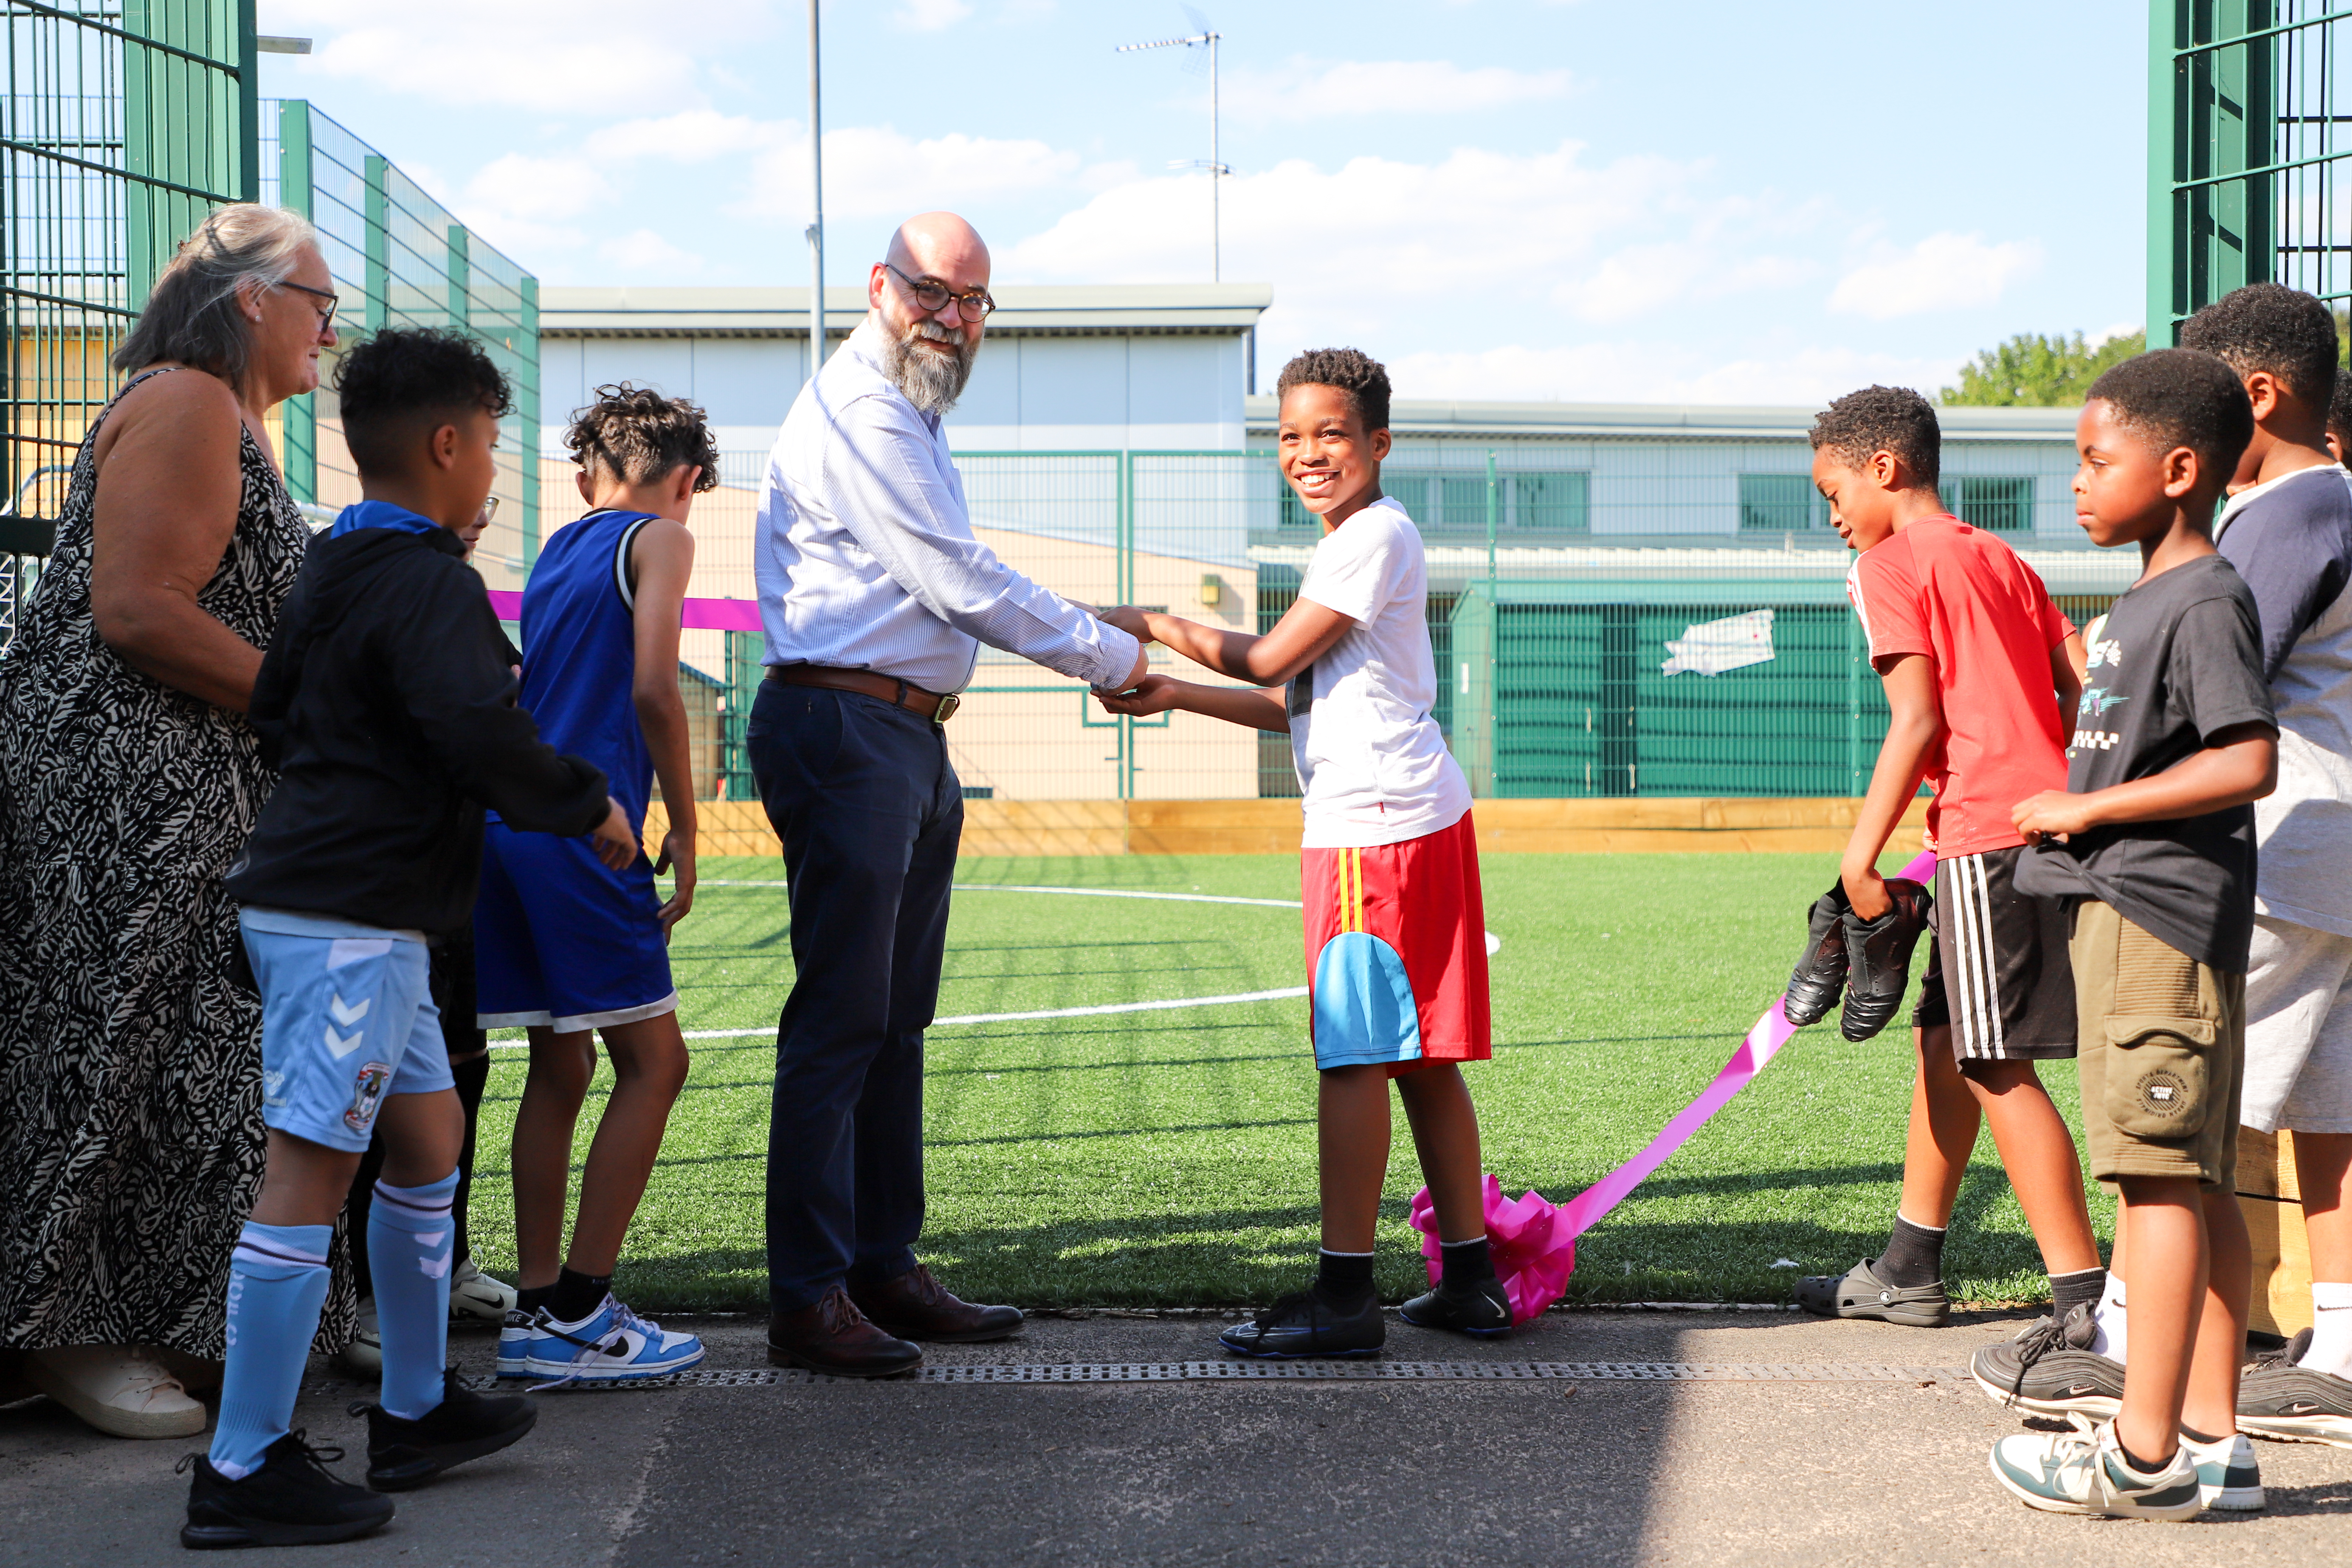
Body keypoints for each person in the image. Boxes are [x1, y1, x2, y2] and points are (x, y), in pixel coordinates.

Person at [183, 327, 638, 1548]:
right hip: (345, 921)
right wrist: (585, 802)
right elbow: (474, 726)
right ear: (446, 444)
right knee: (311, 1169)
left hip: (363, 910)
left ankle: (417, 1405)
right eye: (490, 444)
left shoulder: (339, 559)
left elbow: (277, 706)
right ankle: (242, 1462)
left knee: (428, 1140)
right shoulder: (433, 578)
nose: (493, 471)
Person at [753, 211, 1145, 1378]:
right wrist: (1110, 656)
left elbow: (952, 579)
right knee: (841, 1018)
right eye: (932, 291)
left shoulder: (910, 412)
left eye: (973, 300)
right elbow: (955, 577)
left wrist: (1096, 632)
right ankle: (808, 1291)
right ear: (879, 286)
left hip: (902, 733)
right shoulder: (868, 409)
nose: (953, 316)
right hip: (847, 726)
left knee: (894, 1019)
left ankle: (880, 1261)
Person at [0, 206, 342, 1439]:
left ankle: (146, 1315)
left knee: (187, 1055)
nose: (331, 328)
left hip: (184, 782)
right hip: (128, 791)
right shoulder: (192, 402)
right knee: (112, 1040)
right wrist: (316, 710)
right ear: (251, 298)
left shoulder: (224, 414)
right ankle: (66, 1329)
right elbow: (140, 608)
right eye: (320, 300)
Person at [1095, 348, 1506, 1357]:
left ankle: (1345, 1296)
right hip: (1416, 813)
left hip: (1373, 831)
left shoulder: (1366, 536)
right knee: (1418, 1060)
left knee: (1355, 1056)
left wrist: (1151, 622)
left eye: (1330, 433)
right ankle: (1470, 1278)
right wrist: (1182, 692)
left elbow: (1273, 656)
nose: (1308, 453)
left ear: (1377, 444)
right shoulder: (1365, 540)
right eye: (1289, 436)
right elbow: (1300, 698)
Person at [1995, 348, 2275, 1520]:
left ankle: (2141, 1453)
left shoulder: (2205, 593)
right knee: (2189, 1180)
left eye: (2094, 459)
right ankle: (2213, 1441)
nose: (2075, 480)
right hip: (2124, 913)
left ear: (2175, 468)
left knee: (2153, 1182)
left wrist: (2087, 806)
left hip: (2161, 917)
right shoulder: (2138, 603)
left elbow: (2244, 755)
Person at [1781, 386, 2107, 1347]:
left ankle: (2082, 1307)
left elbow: (1917, 719)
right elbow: (2078, 679)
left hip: (1985, 835)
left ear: (1883, 468)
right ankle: (1907, 1268)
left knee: (1995, 1064)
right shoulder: (1996, 552)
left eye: (1833, 491)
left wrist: (1858, 855)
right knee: (1944, 1036)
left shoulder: (1883, 563)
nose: (1832, 515)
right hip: (2043, 825)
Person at [482, 383, 714, 1382]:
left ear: (587, 476)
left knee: (560, 1067)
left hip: (509, 826)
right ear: (689, 480)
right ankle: (579, 1308)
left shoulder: (556, 546)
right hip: (589, 833)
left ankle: (539, 1307)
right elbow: (656, 688)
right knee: (657, 1066)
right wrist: (689, 827)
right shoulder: (662, 539)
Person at [2179, 284, 2352, 1449]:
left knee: (2191, 1108)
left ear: (2257, 394)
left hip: (2284, 838)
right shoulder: (2337, 495)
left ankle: (2155, 1364)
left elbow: (2214, 677)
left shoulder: (2281, 510)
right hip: (2331, 834)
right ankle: (2336, 1342)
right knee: (2330, 1107)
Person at [337, 497, 520, 1381]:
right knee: (355, 1105)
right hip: (376, 878)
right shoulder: (371, 574)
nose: (488, 501)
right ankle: (362, 1296)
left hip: (448, 870)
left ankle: (440, 1268)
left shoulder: (452, 580)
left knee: (456, 1073)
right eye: (482, 456)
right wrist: (572, 797)